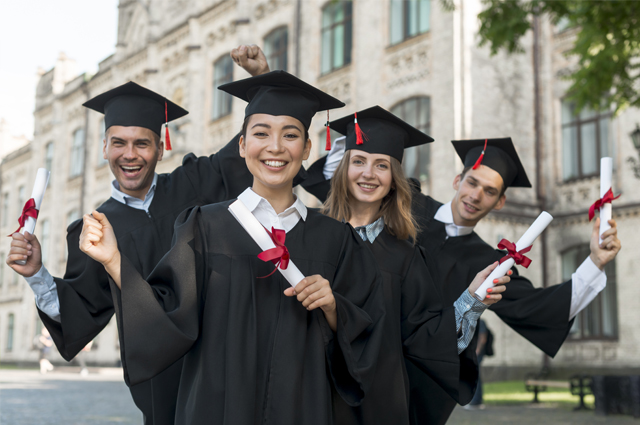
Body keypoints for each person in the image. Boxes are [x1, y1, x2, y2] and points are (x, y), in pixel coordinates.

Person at [79, 71, 387, 425]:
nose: (275, 146)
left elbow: (370, 339)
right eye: (260, 133)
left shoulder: (335, 239)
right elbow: (165, 318)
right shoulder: (203, 227)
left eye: (290, 135)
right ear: (241, 146)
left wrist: (334, 308)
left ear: (306, 149)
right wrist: (114, 261)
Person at [302, 137, 621, 425]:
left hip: (411, 383)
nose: (475, 195)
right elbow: (340, 187)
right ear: (457, 180)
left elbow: (543, 308)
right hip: (344, 354)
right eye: (471, 182)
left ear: (499, 203)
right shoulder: (408, 206)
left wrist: (595, 262)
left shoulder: (487, 264)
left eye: (490, 191)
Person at [319, 106, 511, 425]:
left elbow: (426, 338)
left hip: (377, 405)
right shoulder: (310, 236)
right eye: (359, 161)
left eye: (382, 165)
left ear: (394, 179)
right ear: (343, 168)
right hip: (312, 398)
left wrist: (472, 299)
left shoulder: (405, 256)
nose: (368, 174)